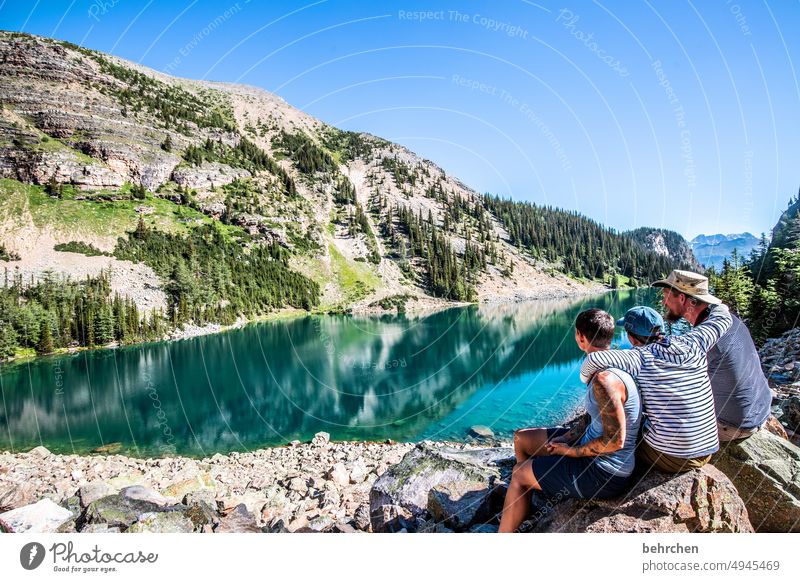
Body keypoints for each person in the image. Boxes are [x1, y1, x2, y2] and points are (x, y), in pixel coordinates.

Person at [498, 308, 642, 533]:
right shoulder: (607, 366)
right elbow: (592, 417)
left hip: (605, 472)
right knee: (522, 439)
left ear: (580, 336)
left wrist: (568, 452)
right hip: (592, 452)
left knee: (518, 473)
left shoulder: (605, 380)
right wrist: (567, 437)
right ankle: (529, 499)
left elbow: (615, 441)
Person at [580, 302, 732, 473]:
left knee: (619, 438)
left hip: (671, 457)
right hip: (708, 448)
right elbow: (722, 317)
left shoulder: (639, 358)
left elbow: (594, 360)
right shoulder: (694, 342)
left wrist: (585, 378)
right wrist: (719, 306)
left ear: (631, 338)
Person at [654, 269, 772, 441]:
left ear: (682, 298)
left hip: (731, 425)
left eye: (666, 295)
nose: (664, 301)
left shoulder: (706, 339)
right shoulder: (729, 320)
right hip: (761, 409)